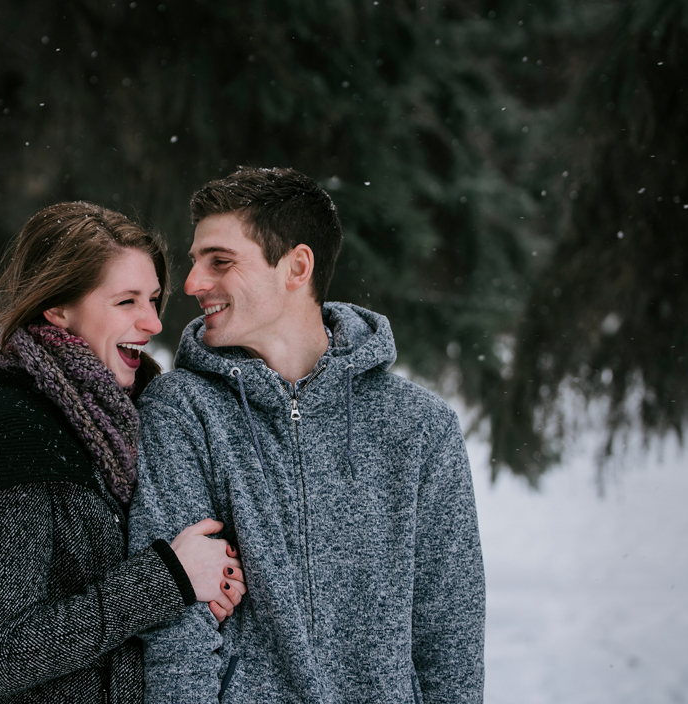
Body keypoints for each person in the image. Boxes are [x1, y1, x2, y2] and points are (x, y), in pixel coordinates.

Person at [129, 167, 485, 703]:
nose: (192, 283)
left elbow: (449, 630)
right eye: (196, 259)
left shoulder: (419, 427)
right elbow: (176, 632)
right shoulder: (181, 412)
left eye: (220, 261)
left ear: (297, 266)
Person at [0, 201, 247, 704]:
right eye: (126, 302)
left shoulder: (146, 419)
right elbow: (10, 651)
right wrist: (169, 578)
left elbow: (151, 594)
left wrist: (203, 593)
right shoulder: (7, 441)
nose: (152, 323)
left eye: (152, 299)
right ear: (59, 308)